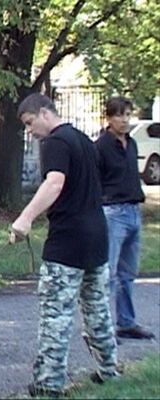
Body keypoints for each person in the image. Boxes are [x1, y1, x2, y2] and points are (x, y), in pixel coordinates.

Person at [9, 93, 119, 397]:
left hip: (67, 242)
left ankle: (48, 384)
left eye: (30, 123)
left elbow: (55, 183)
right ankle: (108, 370)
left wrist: (25, 218)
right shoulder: (84, 140)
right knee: (97, 310)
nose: (30, 131)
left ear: (45, 113)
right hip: (97, 238)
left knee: (55, 315)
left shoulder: (55, 142)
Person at [95, 97, 155, 340]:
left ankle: (126, 321)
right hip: (113, 212)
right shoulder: (100, 146)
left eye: (127, 114)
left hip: (133, 210)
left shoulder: (131, 143)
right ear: (108, 118)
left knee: (127, 273)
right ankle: (102, 325)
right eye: (119, 115)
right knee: (107, 272)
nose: (124, 120)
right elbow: (95, 180)